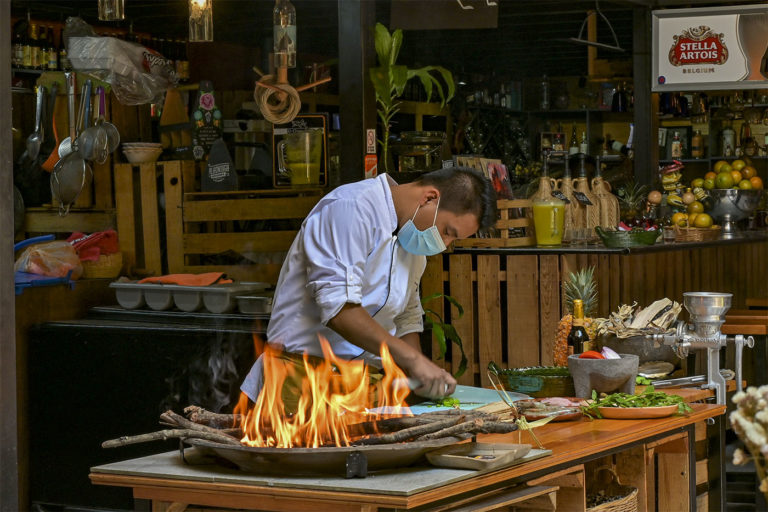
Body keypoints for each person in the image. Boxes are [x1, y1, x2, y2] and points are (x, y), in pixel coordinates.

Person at [240, 167, 497, 404]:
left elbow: (407, 317)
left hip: (362, 386)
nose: (444, 244)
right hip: (299, 379)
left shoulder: (412, 241)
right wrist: (413, 360)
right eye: (447, 231)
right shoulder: (351, 208)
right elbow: (339, 310)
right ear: (429, 198)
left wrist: (420, 375)